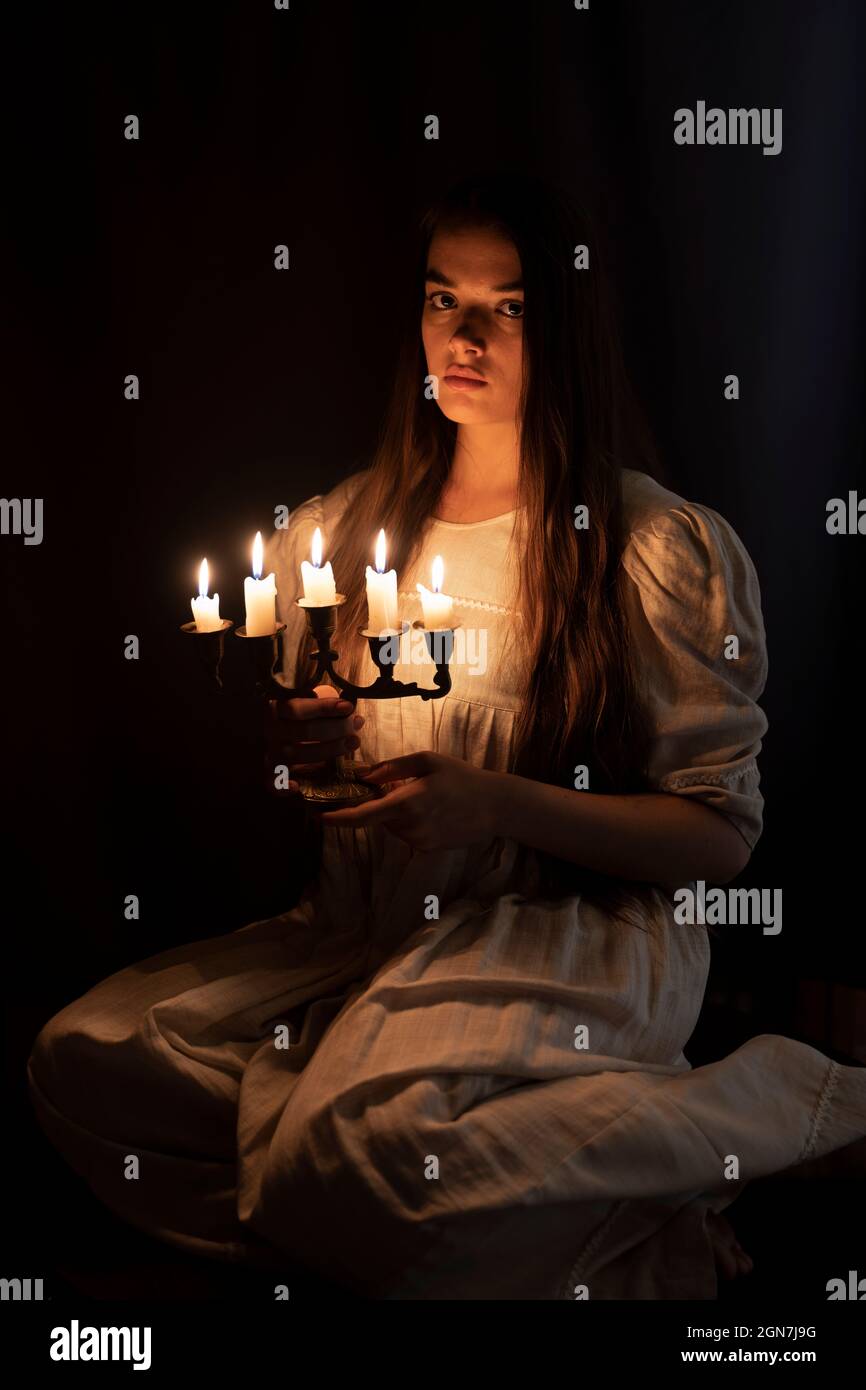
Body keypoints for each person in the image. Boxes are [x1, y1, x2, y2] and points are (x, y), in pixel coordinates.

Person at [27, 171, 866, 1299]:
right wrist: (302, 752)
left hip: (570, 937)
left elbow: (717, 837)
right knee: (90, 1062)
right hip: (364, 930)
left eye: (506, 307)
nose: (462, 336)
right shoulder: (343, 533)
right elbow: (304, 767)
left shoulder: (647, 551)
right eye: (441, 299)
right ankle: (502, 1199)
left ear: (561, 325)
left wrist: (494, 802)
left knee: (356, 1152)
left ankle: (779, 1114)